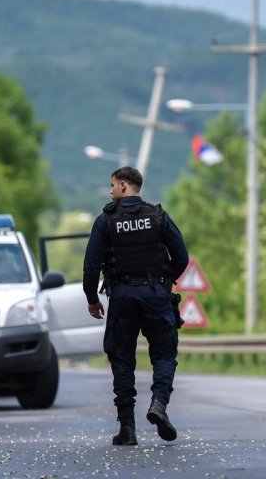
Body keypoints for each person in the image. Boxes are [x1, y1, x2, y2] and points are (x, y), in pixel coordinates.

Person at [83, 166, 189, 446]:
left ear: (123, 186)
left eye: (113, 185)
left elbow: (91, 265)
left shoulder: (105, 221)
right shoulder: (158, 216)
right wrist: (166, 281)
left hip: (122, 296)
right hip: (156, 294)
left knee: (122, 358)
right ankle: (159, 405)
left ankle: (127, 429)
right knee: (165, 354)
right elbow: (182, 256)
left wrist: (92, 298)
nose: (110, 191)